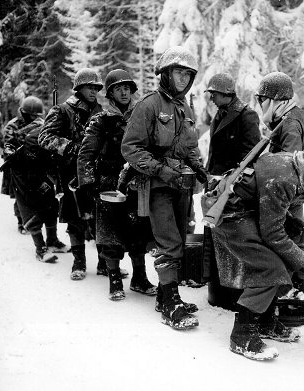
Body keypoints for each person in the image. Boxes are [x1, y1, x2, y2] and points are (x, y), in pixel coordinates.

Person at [205, 136, 304, 360]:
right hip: (231, 217)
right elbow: (272, 234)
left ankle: (264, 321)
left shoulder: (298, 168)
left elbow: (282, 217)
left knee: (285, 257)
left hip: (250, 212)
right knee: (270, 269)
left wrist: (296, 237)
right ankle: (242, 334)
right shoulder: (285, 178)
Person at [121, 46, 208, 330]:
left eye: (188, 74)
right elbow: (130, 148)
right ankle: (171, 303)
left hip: (181, 184)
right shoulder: (149, 105)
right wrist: (160, 169)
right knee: (168, 243)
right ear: (165, 74)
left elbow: (190, 146)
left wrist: (199, 168)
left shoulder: (185, 107)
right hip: (156, 185)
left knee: (181, 239)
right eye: (178, 72)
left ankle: (163, 294)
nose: (183, 79)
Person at [77, 69, 157, 301]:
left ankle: (140, 278)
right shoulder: (100, 120)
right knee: (110, 232)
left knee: (139, 230)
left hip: (136, 182)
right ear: (110, 94)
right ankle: (114, 280)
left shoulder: (141, 117)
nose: (124, 93)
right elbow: (86, 154)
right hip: (108, 184)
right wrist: (89, 183)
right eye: (118, 89)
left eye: (127, 88)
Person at [39, 68, 108, 280]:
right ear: (79, 88)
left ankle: (104, 263)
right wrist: (71, 148)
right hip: (71, 174)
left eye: (96, 88)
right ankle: (78, 262)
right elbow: (45, 137)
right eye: (90, 87)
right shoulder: (63, 111)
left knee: (101, 218)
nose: (94, 92)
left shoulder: (101, 112)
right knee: (75, 220)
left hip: (97, 173)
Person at [255, 71, 304, 299]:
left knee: (288, 236)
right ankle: (296, 284)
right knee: (296, 234)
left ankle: (293, 285)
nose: (261, 104)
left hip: (289, 192)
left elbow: (287, 164)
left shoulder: (290, 123)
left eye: (262, 99)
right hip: (297, 190)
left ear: (274, 100)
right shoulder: (298, 116)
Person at [204, 72, 261, 309]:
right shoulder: (220, 114)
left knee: (233, 243)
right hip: (217, 187)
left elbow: (252, 155)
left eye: (214, 94)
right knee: (214, 238)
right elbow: (214, 151)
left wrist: (232, 181)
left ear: (226, 93)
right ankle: (216, 289)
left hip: (234, 191)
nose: (212, 99)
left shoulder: (247, 116)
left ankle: (232, 295)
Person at [3, 96, 69, 262]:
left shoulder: (42, 125)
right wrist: (24, 147)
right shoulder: (13, 126)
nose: (35, 119)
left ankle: (52, 240)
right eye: (32, 116)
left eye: (37, 116)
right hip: (21, 173)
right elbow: (8, 151)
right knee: (29, 207)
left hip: (40, 169)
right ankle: (40, 248)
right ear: (24, 114)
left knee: (50, 204)